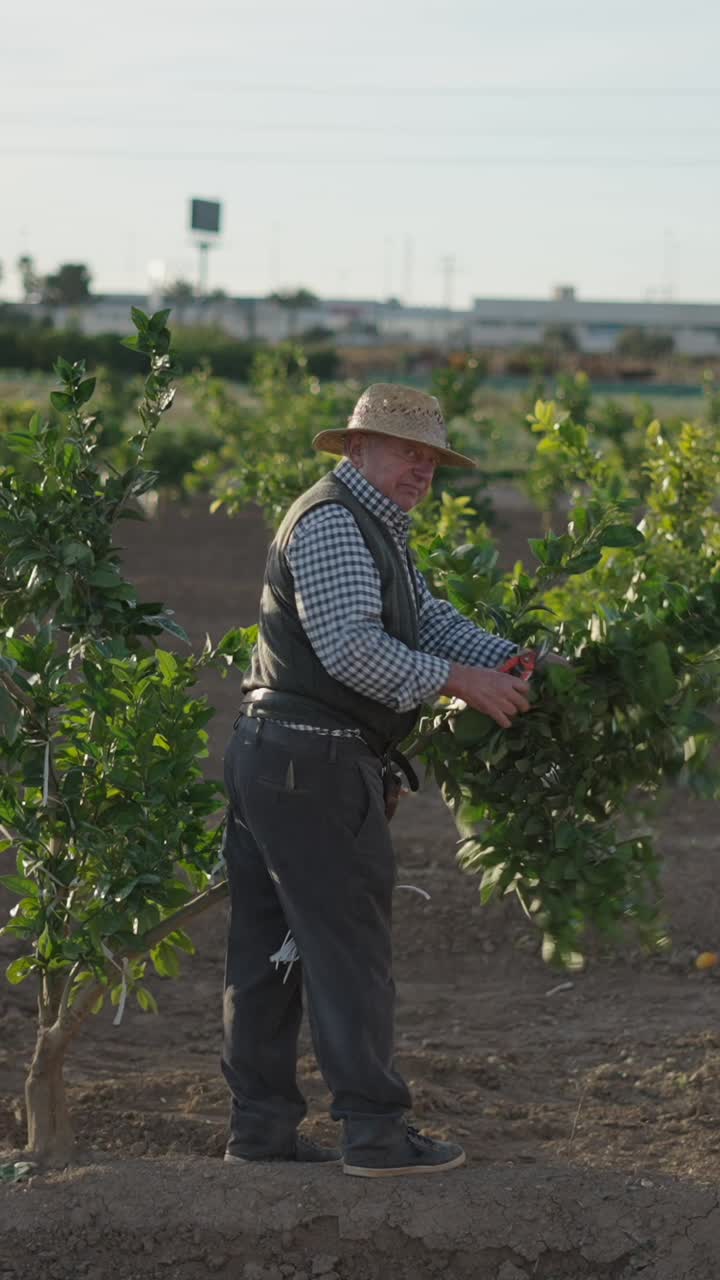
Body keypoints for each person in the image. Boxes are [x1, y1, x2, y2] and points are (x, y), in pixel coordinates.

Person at [221, 383, 533, 1178]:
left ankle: (260, 1133)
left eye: (430, 459)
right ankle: (375, 1134)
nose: (421, 471)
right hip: (312, 762)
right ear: (357, 449)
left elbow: (425, 621)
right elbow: (352, 649)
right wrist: (463, 682)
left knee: (275, 951)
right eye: (406, 452)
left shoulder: (378, 529)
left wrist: (510, 660)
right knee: (344, 949)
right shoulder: (332, 522)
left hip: (280, 756)